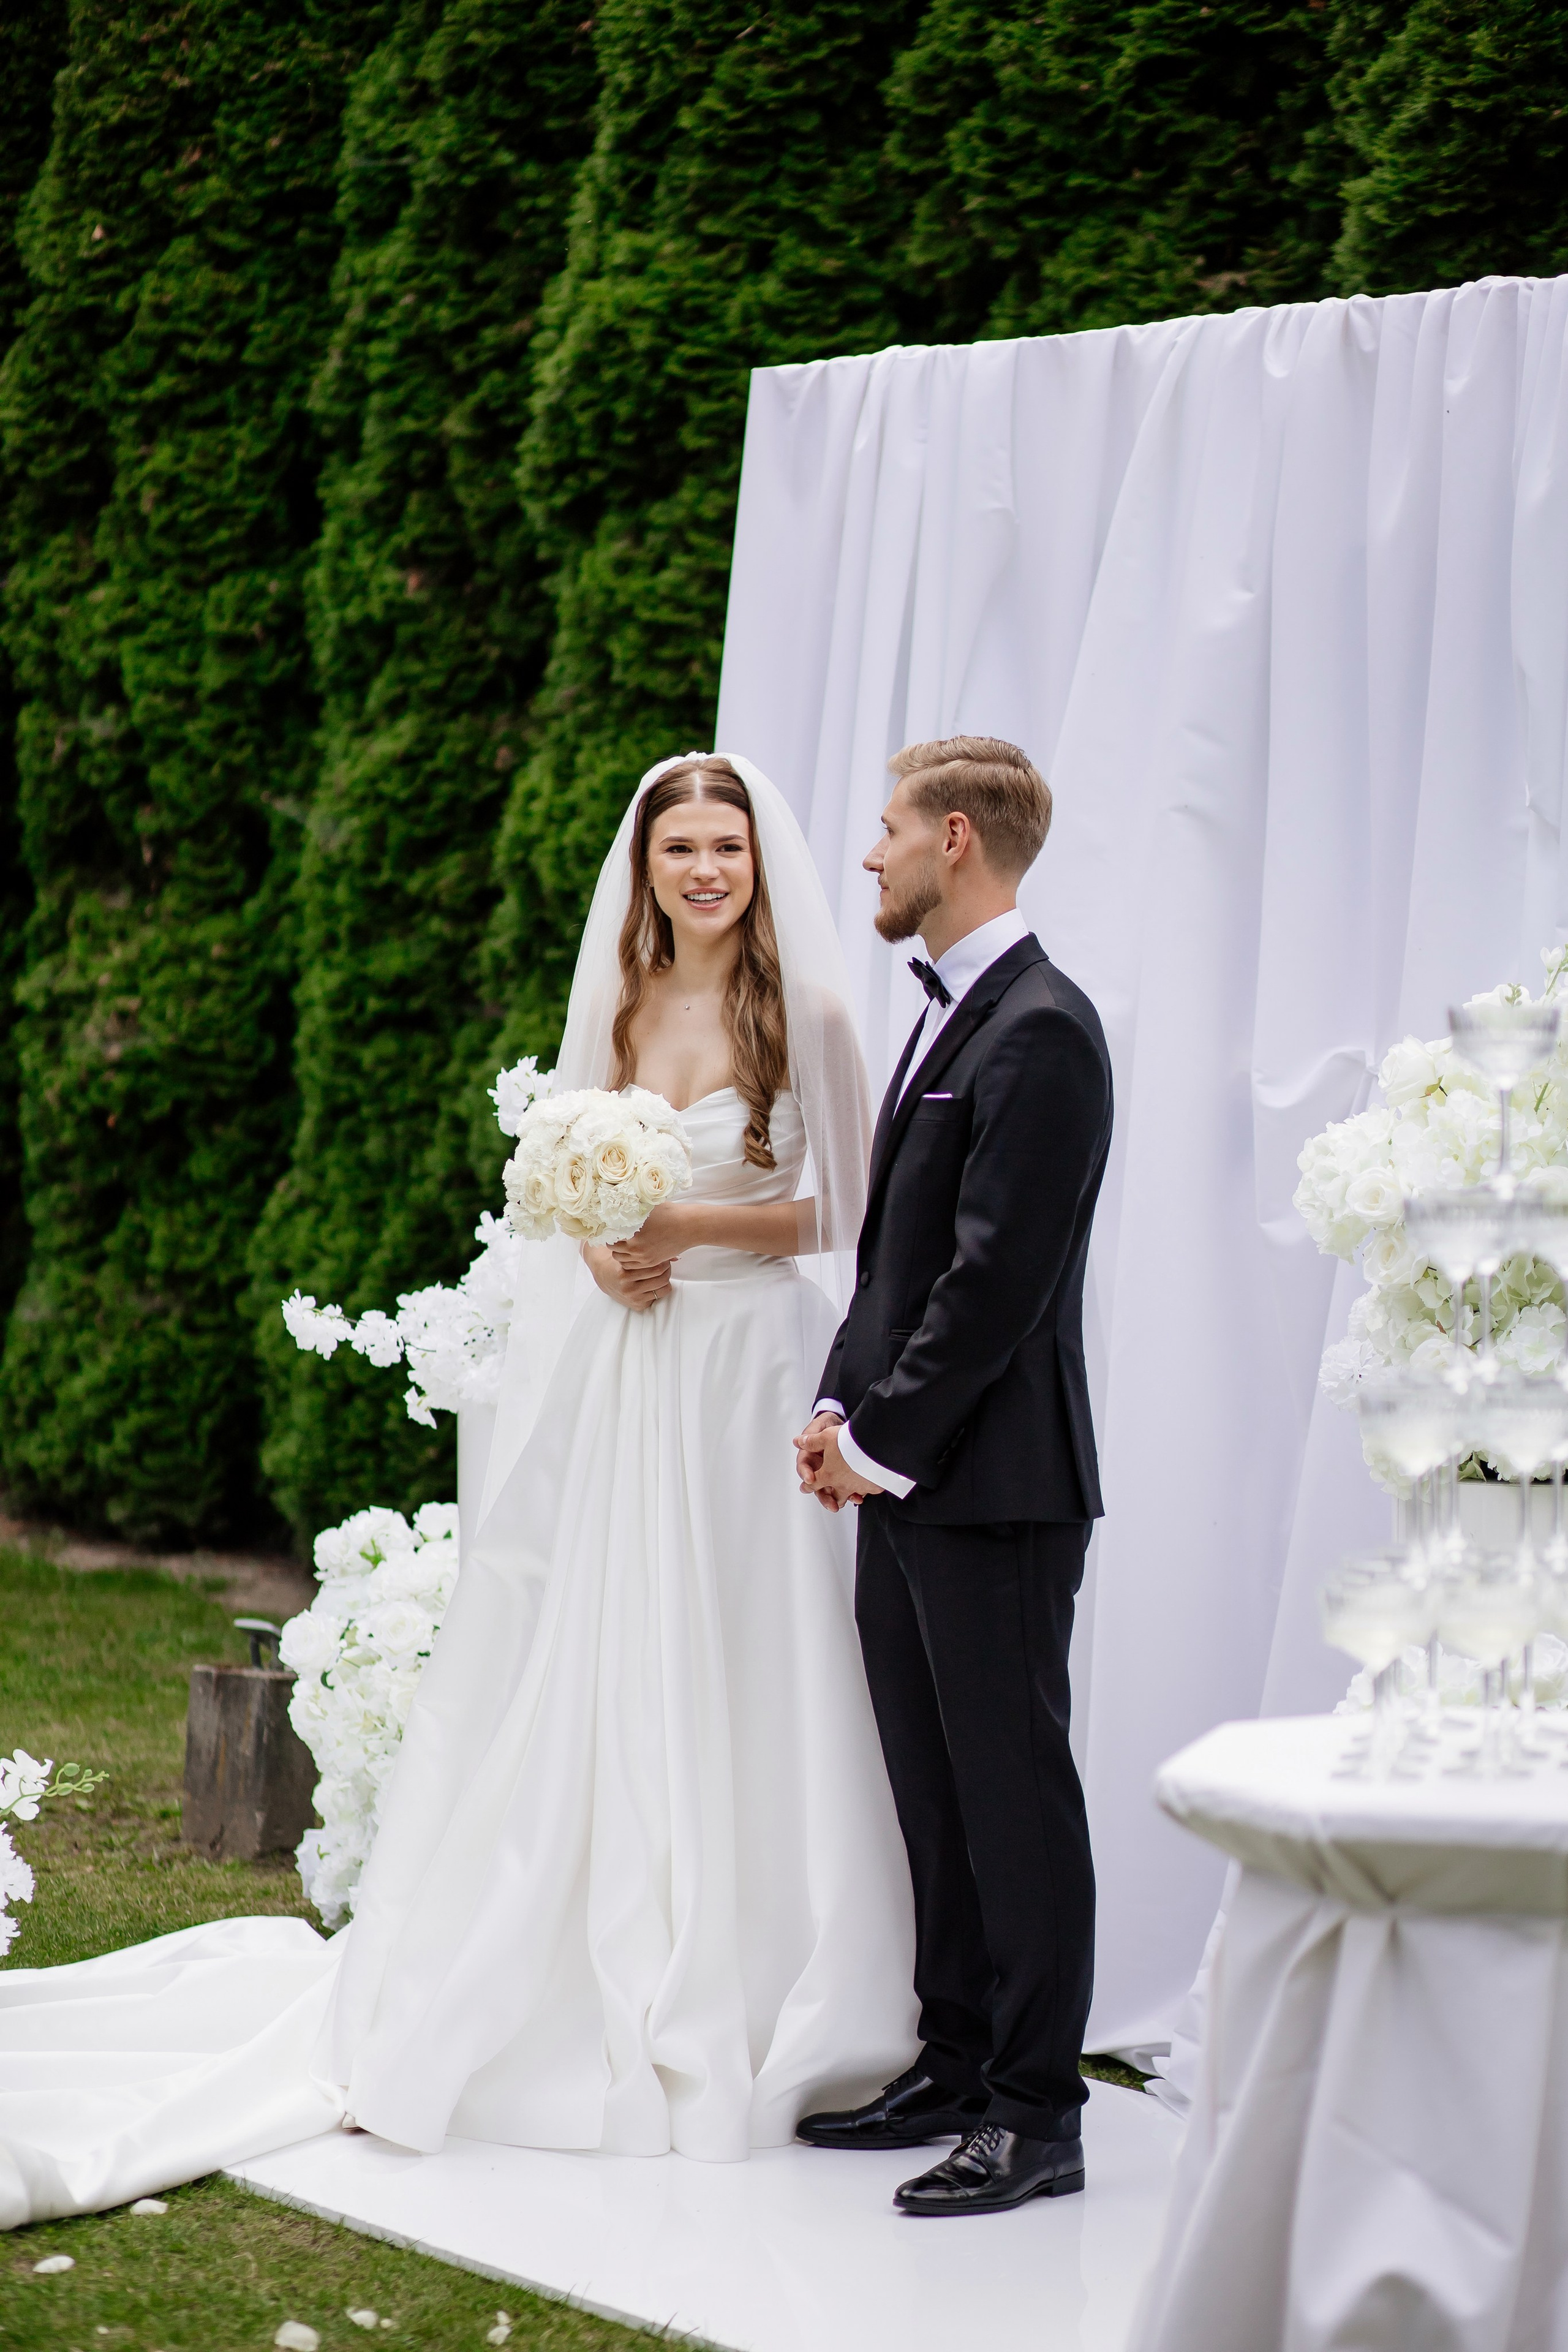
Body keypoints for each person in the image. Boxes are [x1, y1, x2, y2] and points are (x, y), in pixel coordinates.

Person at [0, 754, 918, 2223]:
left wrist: (676, 1217)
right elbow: (554, 1195)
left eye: (725, 847)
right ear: (646, 862)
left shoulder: (804, 1010)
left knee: (750, 1651)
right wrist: (603, 1241)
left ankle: (765, 1976)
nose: (702, 871)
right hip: (630, 1370)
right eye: (678, 845)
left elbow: (853, 1208)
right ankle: (557, 1953)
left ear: (759, 863)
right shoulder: (616, 1010)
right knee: (600, 1652)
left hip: (742, 1361)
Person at [793, 734, 1112, 2218]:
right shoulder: (953, 1014)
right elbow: (897, 1257)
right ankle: (956, 2061)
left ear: (958, 840)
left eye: (887, 830)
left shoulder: (1041, 1027)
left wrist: (875, 1443)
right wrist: (834, 1409)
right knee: (931, 1790)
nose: (870, 855)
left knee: (1011, 1797)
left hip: (992, 1488)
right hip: (906, 1477)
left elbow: (994, 1287)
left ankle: (1038, 2117)